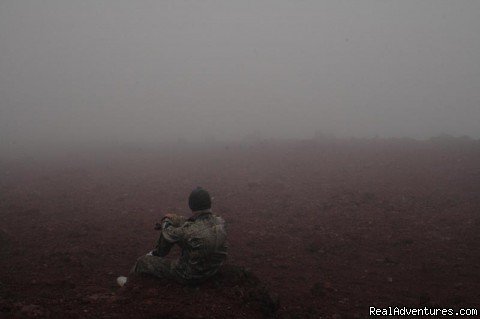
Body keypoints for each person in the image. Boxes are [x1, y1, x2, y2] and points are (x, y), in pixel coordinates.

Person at [119, 187, 227, 286]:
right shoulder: (220, 221)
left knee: (142, 262)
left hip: (191, 275)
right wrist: (176, 218)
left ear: (191, 205)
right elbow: (195, 225)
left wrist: (166, 221)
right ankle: (156, 254)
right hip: (213, 269)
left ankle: (130, 283)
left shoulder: (189, 231)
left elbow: (169, 233)